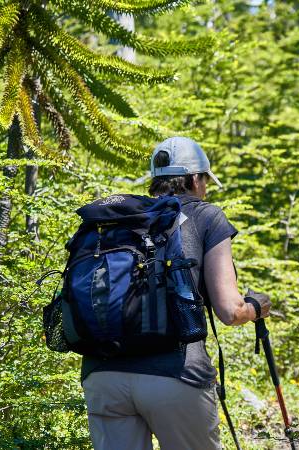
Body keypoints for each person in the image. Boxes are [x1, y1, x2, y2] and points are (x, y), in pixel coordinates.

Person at [80, 136, 271, 450]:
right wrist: (257, 306)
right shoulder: (206, 216)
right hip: (175, 374)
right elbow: (230, 311)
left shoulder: (121, 220)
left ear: (155, 182)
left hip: (103, 375)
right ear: (196, 179)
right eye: (206, 181)